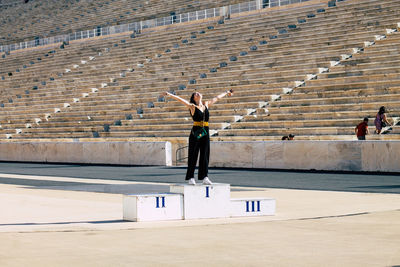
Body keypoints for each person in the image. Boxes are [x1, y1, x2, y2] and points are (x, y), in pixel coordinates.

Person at [162, 89, 233, 185]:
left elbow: (217, 98)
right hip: (196, 131)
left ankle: (205, 177)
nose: (197, 93)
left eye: (198, 93)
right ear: (194, 98)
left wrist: (226, 92)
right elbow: (181, 100)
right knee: (193, 154)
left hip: (205, 131)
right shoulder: (192, 107)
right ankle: (191, 177)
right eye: (195, 94)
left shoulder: (206, 105)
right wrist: (169, 94)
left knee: (205, 154)